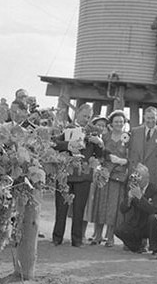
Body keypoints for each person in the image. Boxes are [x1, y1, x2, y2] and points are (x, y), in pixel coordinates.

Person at [52, 104, 104, 247]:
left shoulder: (93, 133)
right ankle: (57, 238)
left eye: (88, 117)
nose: (85, 119)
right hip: (65, 174)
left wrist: (99, 143)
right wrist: (68, 145)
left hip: (84, 176)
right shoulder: (66, 128)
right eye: (84, 116)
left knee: (79, 210)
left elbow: (99, 156)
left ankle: (77, 239)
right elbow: (54, 144)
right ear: (77, 114)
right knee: (61, 208)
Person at [91, 111, 130, 247]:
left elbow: (131, 157)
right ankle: (97, 235)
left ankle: (110, 237)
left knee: (113, 207)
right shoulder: (105, 137)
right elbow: (99, 154)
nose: (119, 124)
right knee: (101, 204)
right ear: (111, 123)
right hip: (104, 175)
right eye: (116, 121)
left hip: (118, 177)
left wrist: (123, 161)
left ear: (124, 123)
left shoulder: (127, 138)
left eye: (121, 121)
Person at [115, 163, 157, 260]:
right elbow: (123, 209)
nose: (136, 180)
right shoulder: (133, 187)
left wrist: (140, 197)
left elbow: (153, 209)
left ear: (146, 178)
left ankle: (156, 250)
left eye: (139, 177)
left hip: (155, 225)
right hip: (139, 223)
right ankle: (138, 246)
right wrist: (129, 199)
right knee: (119, 230)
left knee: (153, 218)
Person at [83, 115, 111, 242]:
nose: (101, 127)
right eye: (98, 125)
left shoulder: (106, 138)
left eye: (103, 126)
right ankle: (82, 233)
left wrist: (101, 143)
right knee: (87, 203)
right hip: (89, 172)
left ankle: (96, 233)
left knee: (98, 203)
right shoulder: (88, 135)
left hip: (101, 174)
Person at [128, 106, 157, 185]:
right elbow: (130, 152)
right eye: (148, 118)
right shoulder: (135, 132)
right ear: (144, 117)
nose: (150, 120)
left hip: (154, 177)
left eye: (153, 118)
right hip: (136, 175)